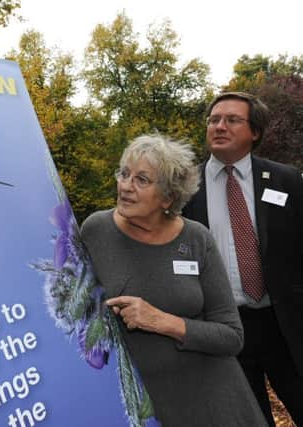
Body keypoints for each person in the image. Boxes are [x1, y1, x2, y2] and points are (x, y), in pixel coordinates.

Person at [81, 134, 267, 427]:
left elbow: (232, 337)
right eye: (124, 173)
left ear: (168, 197)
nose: (126, 186)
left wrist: (160, 321)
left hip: (214, 399)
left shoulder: (196, 238)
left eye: (142, 180)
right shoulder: (95, 230)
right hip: (146, 404)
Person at [182, 92, 303, 426]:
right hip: (224, 329)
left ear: (255, 132)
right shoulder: (183, 188)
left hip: (285, 323)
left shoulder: (286, 180)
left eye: (232, 120)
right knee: (248, 420)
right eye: (214, 120)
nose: (220, 126)